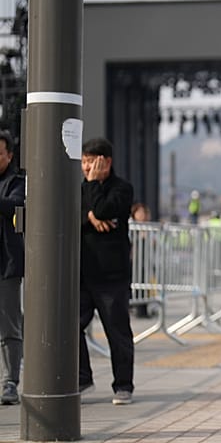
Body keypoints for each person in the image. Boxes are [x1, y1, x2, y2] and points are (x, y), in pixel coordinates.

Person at [79, 137, 135, 405]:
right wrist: (90, 217)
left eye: (91, 161)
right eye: (84, 161)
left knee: (117, 330)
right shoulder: (80, 189)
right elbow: (76, 215)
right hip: (83, 273)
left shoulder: (122, 189)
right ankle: (82, 378)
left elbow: (104, 208)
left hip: (112, 275)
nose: (86, 167)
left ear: (106, 162)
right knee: (70, 325)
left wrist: (93, 207)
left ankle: (123, 385)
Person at [0, 130, 24, 406]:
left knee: (9, 326)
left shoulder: (17, 182)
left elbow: (14, 206)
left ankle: (10, 382)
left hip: (6, 262)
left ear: (9, 155)